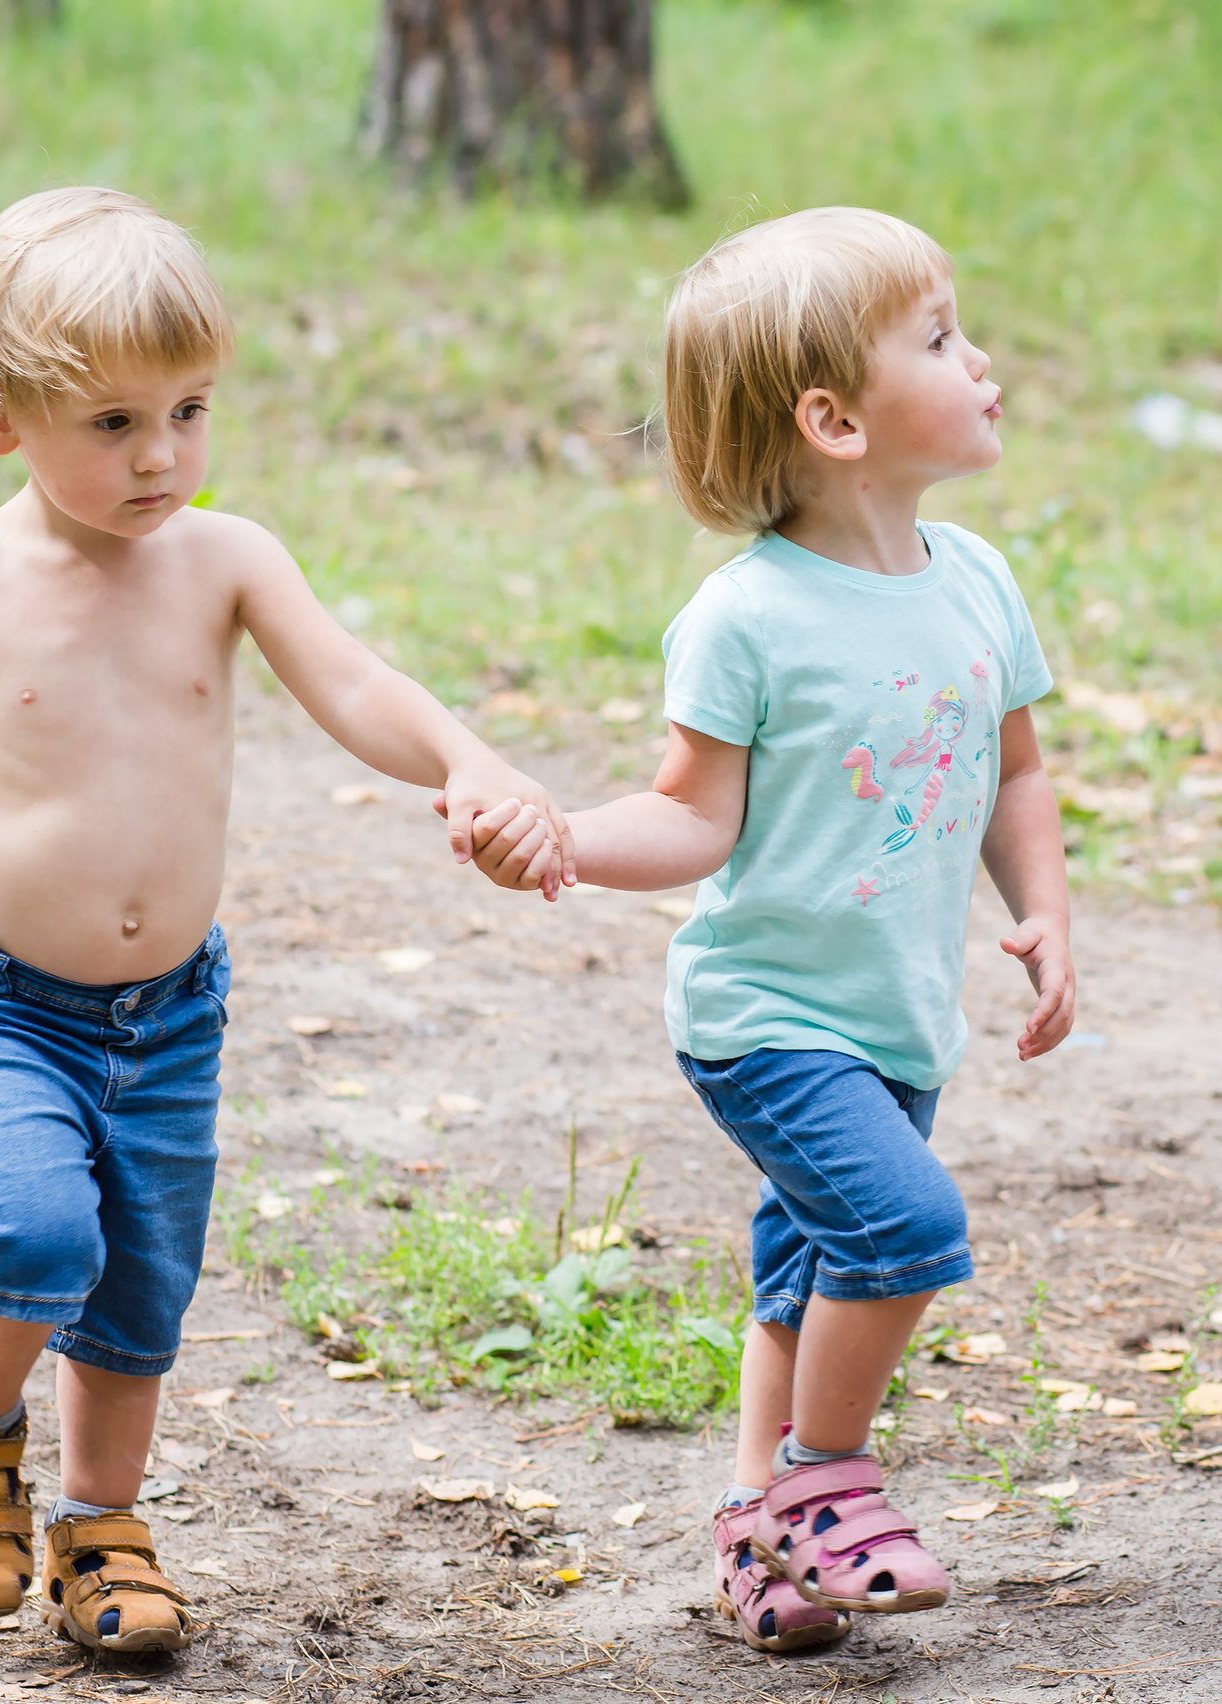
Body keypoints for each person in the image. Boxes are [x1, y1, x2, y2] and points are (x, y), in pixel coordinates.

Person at [0, 186, 570, 1654]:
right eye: (115, 423)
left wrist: (469, 759)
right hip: (1, 1002)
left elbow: (355, 686)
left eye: (189, 412)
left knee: (140, 1287)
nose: (161, 457)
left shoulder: (227, 559)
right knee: (34, 1233)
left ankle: (100, 1525)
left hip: (171, 1014)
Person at [469, 206, 1075, 1652]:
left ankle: (758, 1535)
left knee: (807, 1273)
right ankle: (821, 1485)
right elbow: (693, 817)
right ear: (833, 421)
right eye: (940, 339)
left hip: (899, 1017)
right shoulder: (747, 617)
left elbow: (1017, 772)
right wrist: (566, 841)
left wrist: (1044, 911)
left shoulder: (976, 580)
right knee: (906, 1229)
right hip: (770, 1018)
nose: (981, 360)